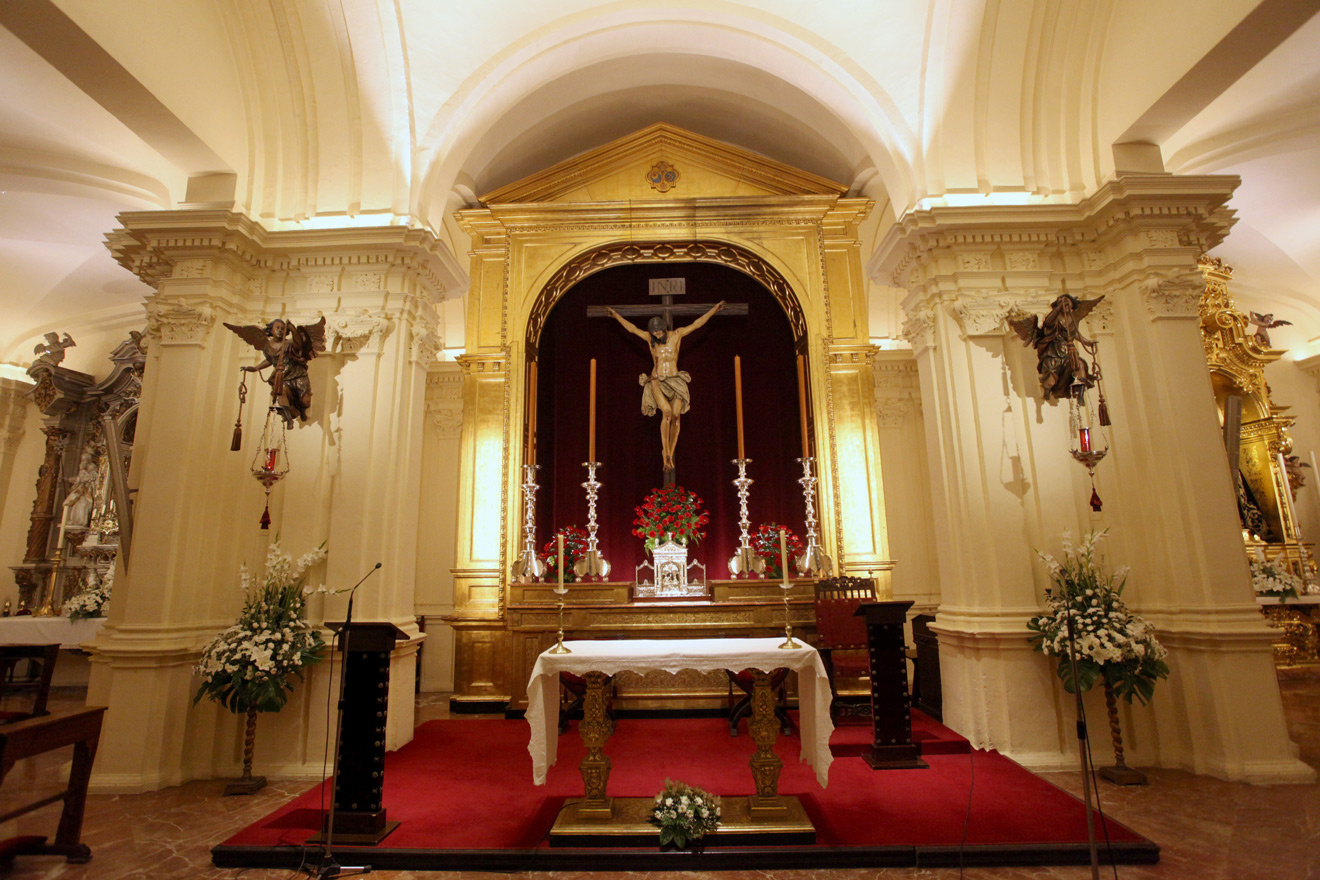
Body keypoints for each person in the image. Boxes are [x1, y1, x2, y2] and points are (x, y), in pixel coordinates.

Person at [606, 301, 724, 473]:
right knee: (667, 413)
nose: (656, 335)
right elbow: (632, 329)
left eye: (659, 332)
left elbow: (697, 324)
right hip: (657, 380)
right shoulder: (650, 339)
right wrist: (616, 315)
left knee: (676, 416)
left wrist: (714, 310)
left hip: (675, 380)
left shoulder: (676, 335)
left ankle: (670, 451)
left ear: (664, 328)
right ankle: (665, 453)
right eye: (654, 333)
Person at [226, 317, 326, 428]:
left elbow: (298, 345)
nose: (280, 330)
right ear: (271, 330)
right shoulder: (268, 347)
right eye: (277, 328)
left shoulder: (289, 343)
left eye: (282, 328)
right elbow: (270, 360)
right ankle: (289, 418)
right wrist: (255, 368)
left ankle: (301, 410)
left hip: (297, 374)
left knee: (306, 401)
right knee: (281, 392)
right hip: (282, 376)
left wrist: (293, 330)